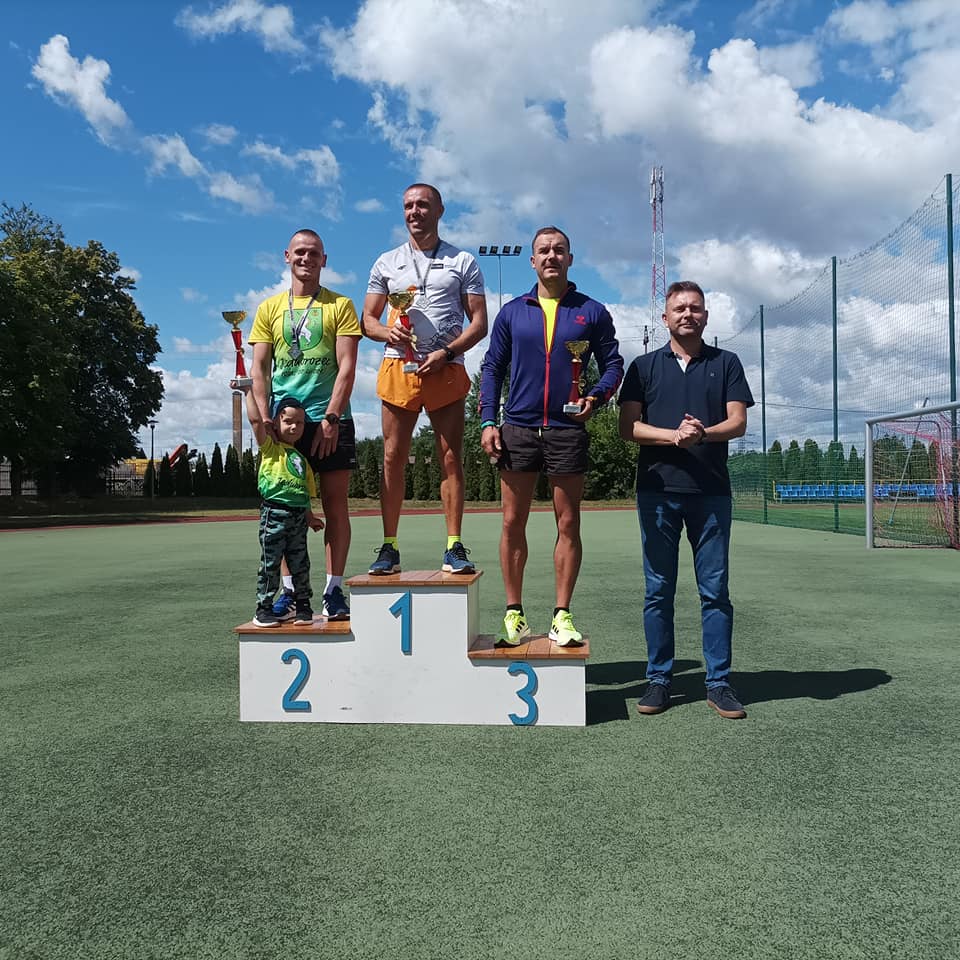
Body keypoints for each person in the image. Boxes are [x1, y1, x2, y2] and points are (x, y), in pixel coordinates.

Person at [479, 226, 623, 647]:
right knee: (512, 522)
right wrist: (488, 420)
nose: (551, 256)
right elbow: (492, 368)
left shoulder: (592, 311)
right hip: (518, 427)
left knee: (568, 522)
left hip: (567, 429)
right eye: (544, 250)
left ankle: (562, 615)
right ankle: (514, 614)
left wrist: (596, 398)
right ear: (532, 261)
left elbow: (613, 364)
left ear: (570, 259)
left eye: (559, 250)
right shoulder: (512, 312)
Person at [618, 280, 754, 718]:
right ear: (665, 318)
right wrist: (674, 436)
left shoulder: (726, 363)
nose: (688, 314)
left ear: (706, 317)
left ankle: (719, 683)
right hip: (657, 492)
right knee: (658, 591)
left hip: (711, 494)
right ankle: (659, 680)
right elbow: (628, 427)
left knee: (714, 592)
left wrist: (702, 434)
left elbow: (738, 422)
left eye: (695, 308)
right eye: (679, 308)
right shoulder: (643, 366)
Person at [362, 183, 488, 575]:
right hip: (398, 367)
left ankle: (453, 546)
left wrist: (447, 352)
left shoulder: (462, 261)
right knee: (392, 457)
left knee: (451, 457)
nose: (414, 212)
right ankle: (389, 546)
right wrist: (389, 332)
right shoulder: (386, 262)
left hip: (444, 368)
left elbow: (479, 323)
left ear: (439, 210)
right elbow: (367, 320)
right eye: (408, 206)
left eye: (422, 205)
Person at [249, 228, 360, 621]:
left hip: (330, 419)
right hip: (286, 422)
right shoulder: (269, 308)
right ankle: (291, 592)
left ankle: (333, 590)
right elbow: (259, 368)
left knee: (335, 506)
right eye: (299, 252)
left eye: (314, 253)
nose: (306, 258)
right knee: (285, 508)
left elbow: (347, 366)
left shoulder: (340, 305)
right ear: (286, 256)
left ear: (324, 260)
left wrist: (331, 417)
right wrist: (266, 415)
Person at [244, 390, 324, 628]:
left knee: (301, 563)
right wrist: (247, 391)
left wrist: (310, 517)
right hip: (274, 514)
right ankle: (264, 608)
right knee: (270, 564)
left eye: (300, 422)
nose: (294, 427)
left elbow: (304, 494)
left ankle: (303, 606)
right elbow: (255, 421)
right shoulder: (271, 448)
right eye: (288, 421)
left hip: (298, 518)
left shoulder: (302, 460)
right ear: (276, 422)